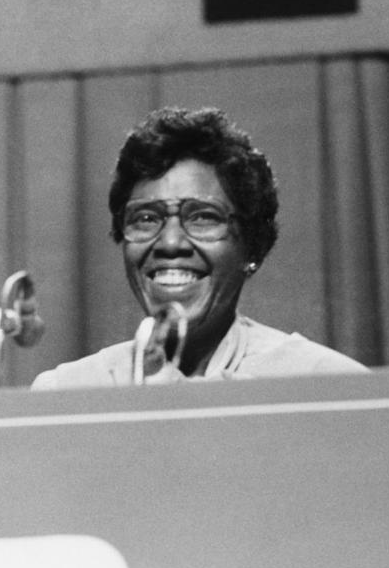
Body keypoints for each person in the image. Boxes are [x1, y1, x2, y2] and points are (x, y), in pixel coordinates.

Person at [32, 106, 367, 389]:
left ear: (252, 247)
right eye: (146, 218)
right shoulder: (70, 393)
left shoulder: (324, 386)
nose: (171, 242)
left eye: (203, 218)